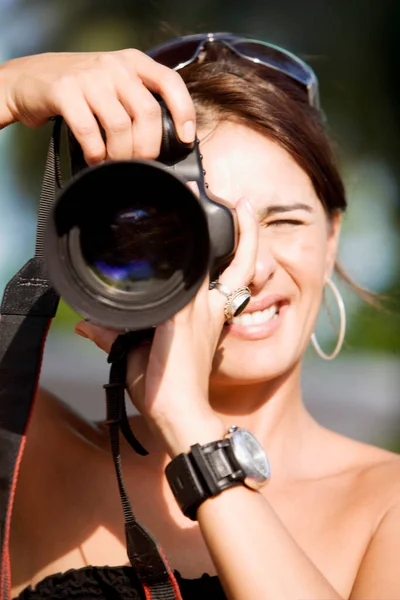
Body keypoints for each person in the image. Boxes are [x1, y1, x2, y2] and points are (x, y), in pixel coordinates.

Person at [1, 32, 400, 600]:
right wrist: (11, 88)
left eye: (284, 221)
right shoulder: (32, 457)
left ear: (332, 238)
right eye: (207, 228)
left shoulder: (387, 505)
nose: (252, 265)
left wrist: (191, 428)